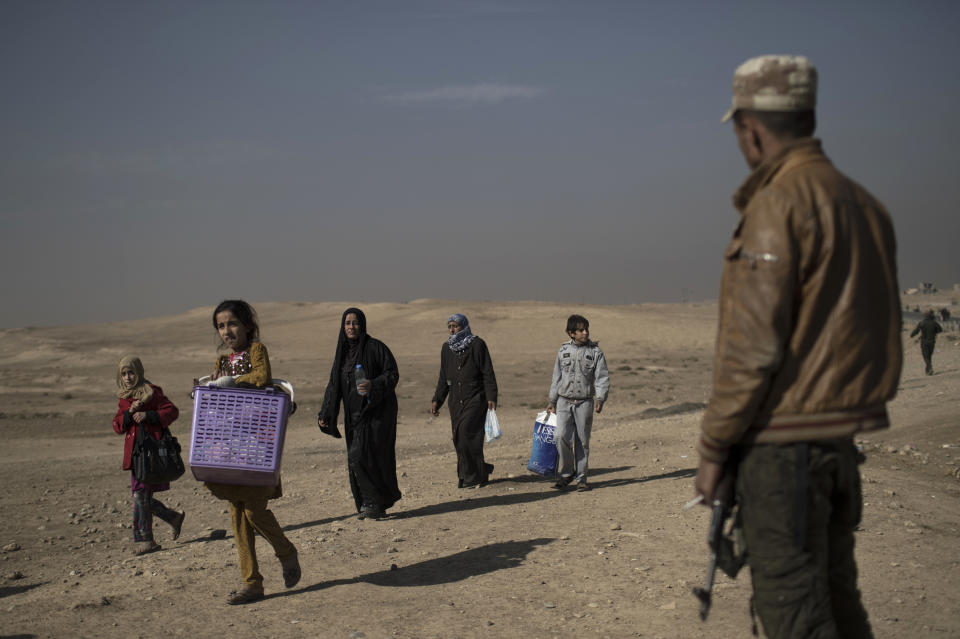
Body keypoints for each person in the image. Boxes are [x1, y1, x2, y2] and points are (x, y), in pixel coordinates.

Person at [693, 56, 902, 639]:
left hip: (783, 453)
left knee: (794, 614)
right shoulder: (865, 205)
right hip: (837, 443)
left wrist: (713, 447)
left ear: (751, 129)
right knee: (839, 603)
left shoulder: (776, 207)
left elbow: (752, 349)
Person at [201, 300, 300, 605]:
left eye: (232, 323)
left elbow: (261, 378)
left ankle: (286, 551)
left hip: (257, 447)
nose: (226, 330)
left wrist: (232, 382)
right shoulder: (221, 362)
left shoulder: (256, 351)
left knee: (254, 511)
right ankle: (251, 583)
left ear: (246, 326)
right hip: (230, 449)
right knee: (238, 518)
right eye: (221, 325)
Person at [318, 308, 402, 520]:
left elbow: (392, 373)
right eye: (347, 323)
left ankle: (374, 502)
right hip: (353, 416)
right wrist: (326, 412)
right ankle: (371, 503)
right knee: (358, 457)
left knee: (363, 456)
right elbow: (334, 385)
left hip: (377, 413)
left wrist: (372, 385)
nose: (351, 327)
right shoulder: (342, 353)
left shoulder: (375, 347)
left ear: (362, 325)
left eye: (355, 323)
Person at [112, 355, 185, 556]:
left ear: (139, 372)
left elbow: (172, 411)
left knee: (140, 495)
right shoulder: (124, 398)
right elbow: (117, 425)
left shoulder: (152, 392)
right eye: (123, 374)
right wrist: (128, 415)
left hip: (152, 453)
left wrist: (149, 415)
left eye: (131, 372)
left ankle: (146, 540)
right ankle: (173, 518)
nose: (127, 377)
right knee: (141, 495)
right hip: (136, 454)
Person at [430, 313, 499, 488]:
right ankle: (475, 472)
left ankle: (472, 476)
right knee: (458, 439)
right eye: (450, 326)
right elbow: (443, 377)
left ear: (464, 326)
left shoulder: (477, 344)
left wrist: (491, 396)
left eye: (456, 326)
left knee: (467, 434)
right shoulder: (447, 348)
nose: (452, 330)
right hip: (455, 401)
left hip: (475, 398)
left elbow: (487, 372)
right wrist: (437, 400)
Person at [547, 314, 609, 491]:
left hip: (585, 402)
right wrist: (552, 400)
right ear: (571, 333)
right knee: (560, 437)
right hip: (563, 401)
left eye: (586, 329)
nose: (585, 332)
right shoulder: (563, 351)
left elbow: (602, 378)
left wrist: (601, 398)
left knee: (582, 441)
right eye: (581, 330)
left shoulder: (595, 352)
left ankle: (581, 478)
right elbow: (556, 377)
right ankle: (567, 473)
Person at [910, 310, 943, 375]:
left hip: (924, 342)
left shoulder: (922, 323)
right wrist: (934, 332)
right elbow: (940, 330)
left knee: (925, 356)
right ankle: (928, 370)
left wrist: (911, 335)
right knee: (929, 356)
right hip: (932, 341)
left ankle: (929, 367)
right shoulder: (934, 323)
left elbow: (916, 331)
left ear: (925, 316)